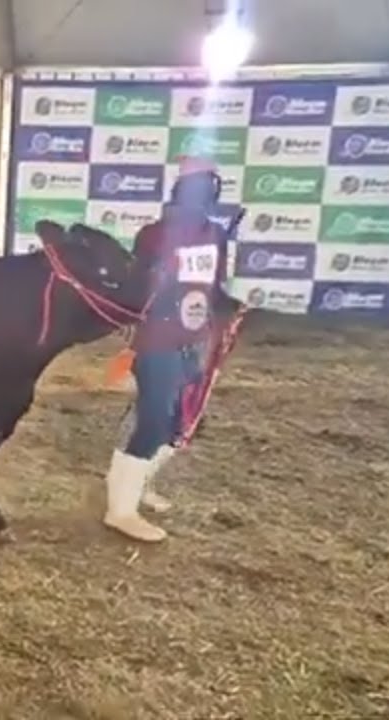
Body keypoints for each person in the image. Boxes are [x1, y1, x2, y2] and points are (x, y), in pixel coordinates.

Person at [101, 155, 240, 543]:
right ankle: (120, 510)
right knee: (154, 420)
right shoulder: (154, 235)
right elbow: (140, 288)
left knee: (182, 420)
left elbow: (212, 285)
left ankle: (137, 481)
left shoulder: (214, 235)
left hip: (194, 340)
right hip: (158, 340)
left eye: (205, 191)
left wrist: (225, 308)